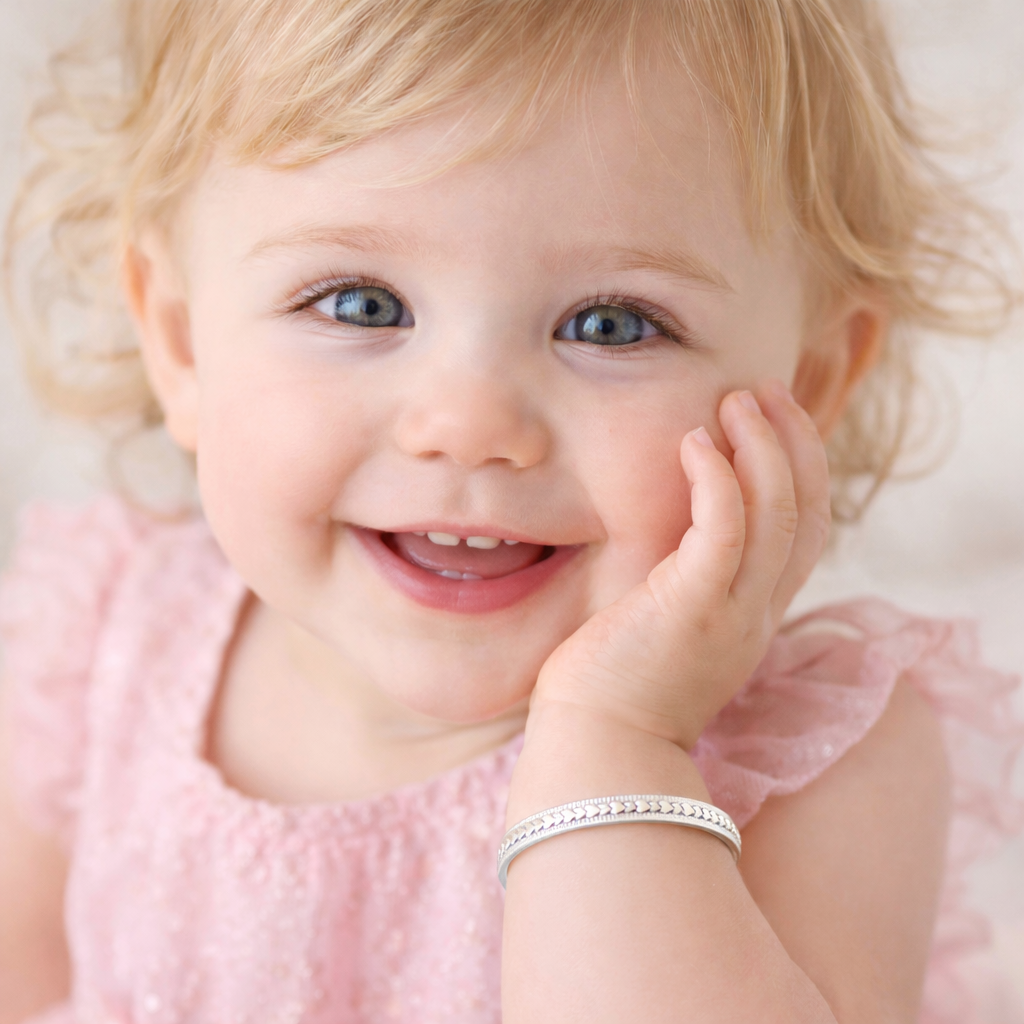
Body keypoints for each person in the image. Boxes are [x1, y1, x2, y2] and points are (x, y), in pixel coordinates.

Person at [1, 1, 1021, 1021]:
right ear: (180, 341)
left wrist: (620, 738)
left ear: (807, 381)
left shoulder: (812, 763)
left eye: (609, 325)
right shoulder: (106, 641)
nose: (469, 424)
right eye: (360, 304)